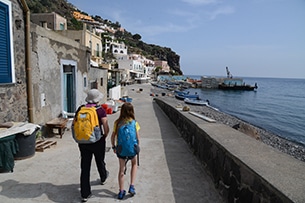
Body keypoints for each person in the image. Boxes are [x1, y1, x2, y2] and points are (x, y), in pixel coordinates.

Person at [78, 89, 110, 202]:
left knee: (85, 167)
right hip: (97, 141)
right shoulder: (100, 110)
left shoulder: (81, 109)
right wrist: (105, 136)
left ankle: (85, 194)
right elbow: (106, 127)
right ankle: (103, 177)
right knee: (100, 160)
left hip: (83, 141)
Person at [111, 102, 140, 200]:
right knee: (134, 164)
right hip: (132, 149)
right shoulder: (134, 123)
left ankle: (121, 191)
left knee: (121, 170)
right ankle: (131, 186)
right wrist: (137, 148)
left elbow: (113, 136)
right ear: (132, 111)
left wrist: (113, 147)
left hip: (121, 149)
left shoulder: (117, 123)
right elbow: (137, 137)